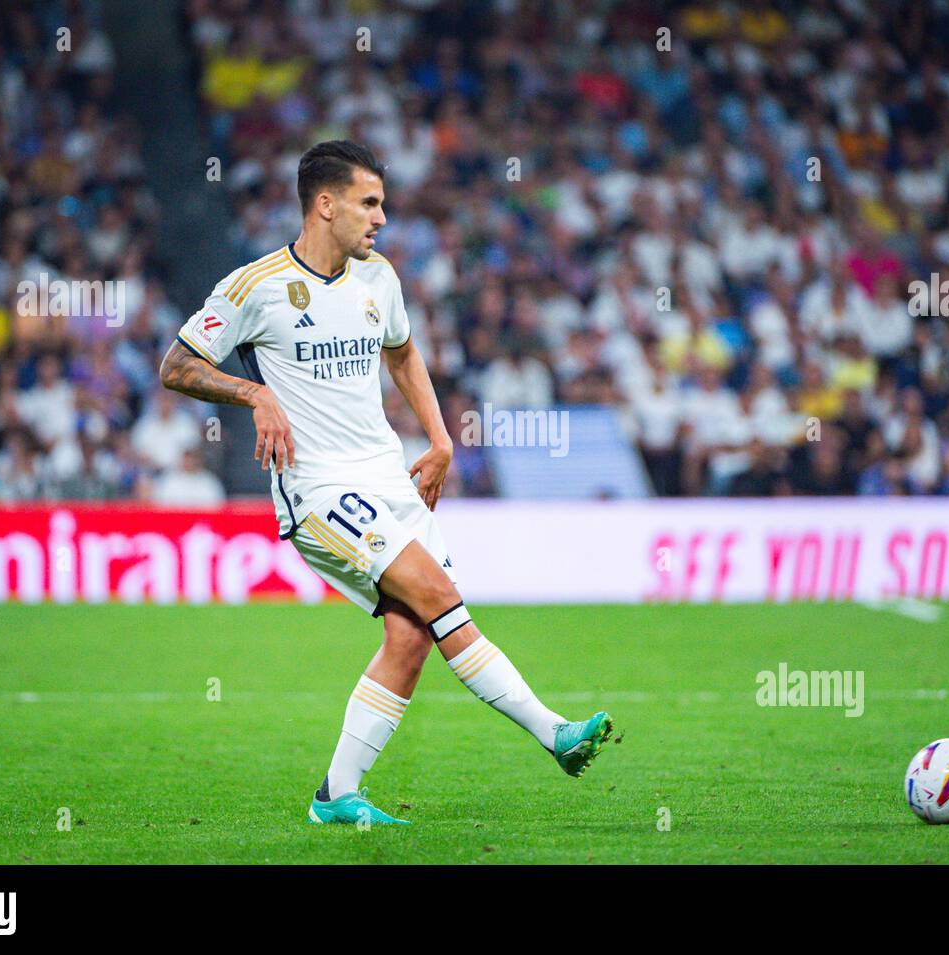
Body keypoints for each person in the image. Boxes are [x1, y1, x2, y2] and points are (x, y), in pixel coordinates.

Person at [159, 141, 612, 826]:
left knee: (411, 635)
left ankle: (335, 795)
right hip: (316, 489)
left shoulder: (378, 279)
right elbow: (178, 365)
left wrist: (437, 436)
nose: (382, 218)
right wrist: (253, 394)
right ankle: (554, 732)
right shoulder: (255, 287)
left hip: (386, 475)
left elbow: (402, 351)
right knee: (438, 595)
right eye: (370, 203)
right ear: (325, 204)